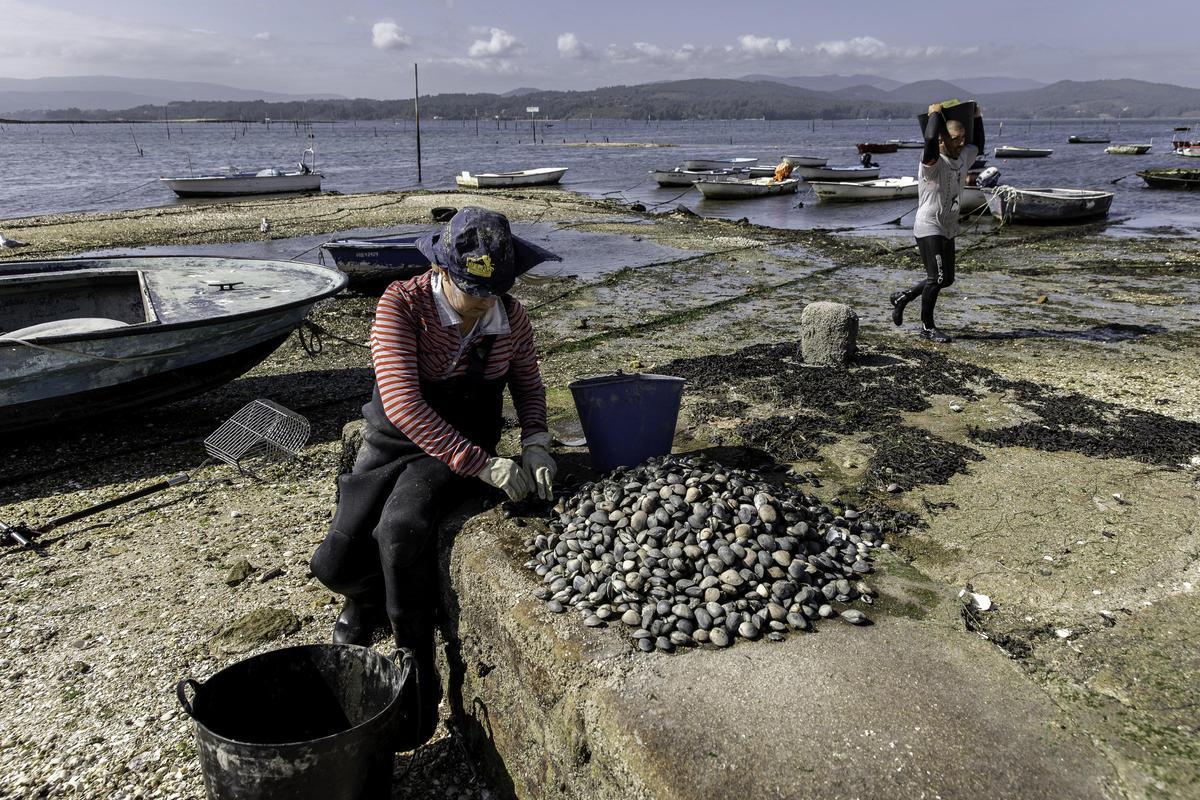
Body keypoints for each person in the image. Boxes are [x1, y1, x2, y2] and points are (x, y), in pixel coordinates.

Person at [309, 206, 560, 746]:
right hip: (398, 439)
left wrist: (535, 443)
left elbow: (529, 385)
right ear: (444, 270)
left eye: (492, 291)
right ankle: (365, 599)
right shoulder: (400, 304)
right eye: (473, 290)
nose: (482, 303)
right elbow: (400, 402)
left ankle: (415, 677)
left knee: (401, 530)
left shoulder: (510, 316)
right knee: (333, 562)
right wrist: (484, 466)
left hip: (465, 438)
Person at [889, 102, 984, 343]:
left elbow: (979, 145)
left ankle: (904, 297)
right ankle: (927, 327)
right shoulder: (932, 163)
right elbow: (930, 139)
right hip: (929, 225)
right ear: (942, 141)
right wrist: (933, 115)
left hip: (949, 226)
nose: (961, 142)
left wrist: (978, 117)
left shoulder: (962, 157)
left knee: (947, 279)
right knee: (937, 279)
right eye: (955, 138)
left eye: (962, 137)